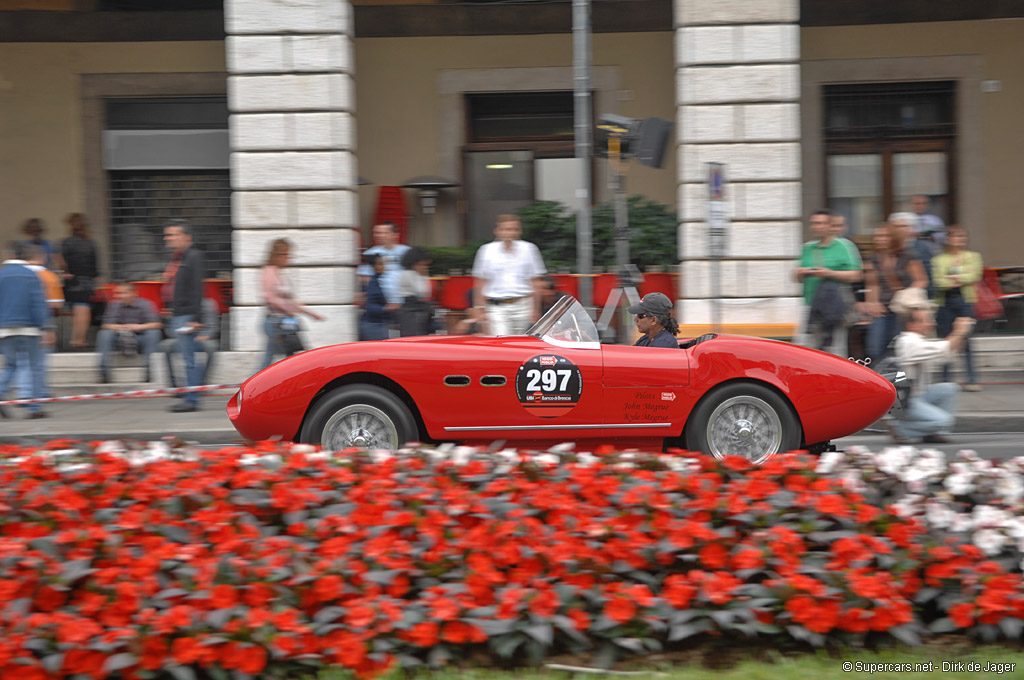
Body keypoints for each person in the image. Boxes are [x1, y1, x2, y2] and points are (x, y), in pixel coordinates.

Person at [889, 303, 974, 444]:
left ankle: (934, 433)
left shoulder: (918, 341)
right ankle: (899, 429)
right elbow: (943, 348)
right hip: (903, 403)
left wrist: (961, 335)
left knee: (949, 388)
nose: (932, 324)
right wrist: (959, 331)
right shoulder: (908, 342)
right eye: (926, 320)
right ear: (912, 325)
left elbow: (946, 355)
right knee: (944, 420)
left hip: (915, 396)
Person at [793, 209, 862, 357]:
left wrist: (829, 273)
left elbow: (856, 275)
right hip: (810, 307)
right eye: (814, 223)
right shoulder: (807, 248)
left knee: (834, 350)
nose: (816, 227)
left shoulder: (844, 246)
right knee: (804, 349)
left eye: (821, 223)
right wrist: (800, 272)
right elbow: (796, 278)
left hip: (834, 307)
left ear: (830, 226)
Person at [0, 242, 54, 419]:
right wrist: (45, 327)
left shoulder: (1, 275)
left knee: (12, 365)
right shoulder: (31, 275)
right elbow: (38, 304)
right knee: (35, 366)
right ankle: (35, 407)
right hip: (29, 329)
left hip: (5, 329)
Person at [863, 219, 928, 363]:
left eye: (885, 236)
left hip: (901, 308)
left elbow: (921, 280)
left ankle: (898, 380)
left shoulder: (906, 256)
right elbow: (873, 283)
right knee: (874, 347)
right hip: (882, 307)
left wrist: (905, 295)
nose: (881, 239)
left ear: (893, 238)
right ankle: (879, 376)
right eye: (878, 236)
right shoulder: (874, 258)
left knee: (897, 347)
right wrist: (872, 302)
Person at [471, 214, 547, 336]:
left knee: (520, 343)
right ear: (497, 231)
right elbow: (480, 282)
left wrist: (536, 308)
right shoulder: (486, 250)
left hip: (523, 304)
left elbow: (535, 281)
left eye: (514, 229)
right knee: (502, 341)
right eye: (506, 229)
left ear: (519, 231)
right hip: (497, 307)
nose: (510, 233)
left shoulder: (529, 249)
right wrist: (479, 308)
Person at [260, 238, 325, 369]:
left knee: (291, 361)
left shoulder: (280, 274)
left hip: (285, 323)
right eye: (286, 254)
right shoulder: (269, 272)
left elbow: (291, 300)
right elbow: (270, 298)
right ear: (278, 255)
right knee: (270, 363)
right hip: (275, 324)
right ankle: (251, 387)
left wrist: (311, 314)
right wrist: (290, 308)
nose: (289, 258)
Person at [932, 225, 982, 392]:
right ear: (948, 239)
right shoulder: (939, 259)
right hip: (945, 303)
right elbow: (939, 281)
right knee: (946, 341)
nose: (960, 240)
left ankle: (971, 379)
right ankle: (944, 380)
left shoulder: (973, 256)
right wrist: (958, 279)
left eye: (963, 237)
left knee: (966, 340)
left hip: (964, 301)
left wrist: (954, 278)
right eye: (956, 236)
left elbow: (974, 275)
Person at [163, 219, 206, 412]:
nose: (168, 238)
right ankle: (190, 395)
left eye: (173, 234)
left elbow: (197, 288)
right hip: (179, 314)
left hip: (187, 315)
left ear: (186, 237)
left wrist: (195, 318)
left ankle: (192, 400)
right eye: (167, 235)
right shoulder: (178, 258)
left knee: (188, 358)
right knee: (185, 357)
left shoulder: (194, 256)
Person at [14, 245, 63, 402]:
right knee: (39, 362)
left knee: (21, 360)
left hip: (17, 322)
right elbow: (56, 304)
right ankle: (39, 393)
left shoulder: (16, 275)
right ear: (42, 257)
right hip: (42, 321)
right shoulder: (49, 276)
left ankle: (24, 394)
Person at [95, 281, 163, 384]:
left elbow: (158, 324)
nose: (119, 296)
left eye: (123, 293)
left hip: (140, 339)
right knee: (104, 333)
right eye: (118, 293)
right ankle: (103, 370)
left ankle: (150, 370)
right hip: (120, 338)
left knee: (154, 333)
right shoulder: (113, 305)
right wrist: (121, 327)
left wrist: (138, 327)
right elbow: (105, 325)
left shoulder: (146, 304)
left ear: (134, 293)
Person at [56, 212, 99, 349]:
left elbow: (62, 263)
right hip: (87, 280)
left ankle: (76, 339)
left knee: (76, 310)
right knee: (84, 309)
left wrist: (65, 273)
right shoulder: (91, 243)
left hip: (72, 280)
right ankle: (80, 339)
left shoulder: (67, 242)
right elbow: (95, 264)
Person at [162, 297, 219, 389]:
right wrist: (182, 334)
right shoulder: (175, 305)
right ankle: (174, 384)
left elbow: (213, 327)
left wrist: (202, 336)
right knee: (166, 346)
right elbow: (169, 329)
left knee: (211, 347)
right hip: (181, 337)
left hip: (201, 338)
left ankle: (202, 383)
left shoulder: (208, 304)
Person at [357, 221, 410, 317]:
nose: (378, 236)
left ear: (395, 235)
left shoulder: (406, 251)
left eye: (383, 233)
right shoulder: (370, 253)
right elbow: (365, 279)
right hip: (384, 304)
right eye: (376, 233)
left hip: (406, 302)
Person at [397, 246, 435, 337]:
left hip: (418, 309)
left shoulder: (415, 274)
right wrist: (423, 275)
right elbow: (422, 291)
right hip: (412, 310)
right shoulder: (407, 274)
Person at [359, 253, 391, 341]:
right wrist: (386, 308)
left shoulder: (377, 280)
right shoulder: (371, 282)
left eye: (383, 263)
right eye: (380, 264)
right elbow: (369, 305)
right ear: (373, 266)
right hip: (373, 324)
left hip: (377, 323)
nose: (383, 266)